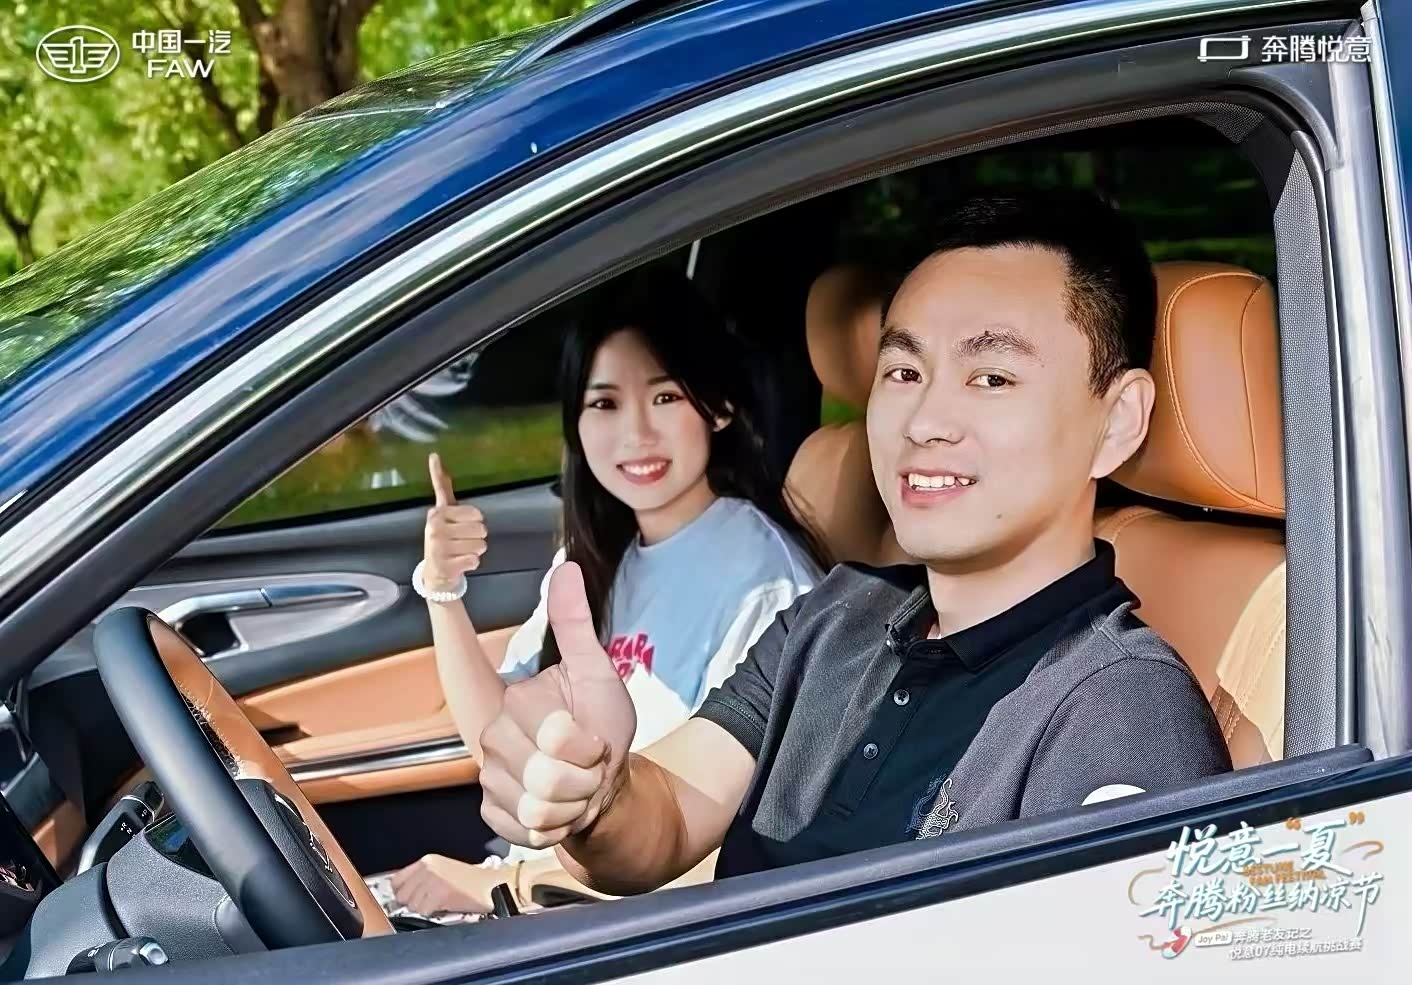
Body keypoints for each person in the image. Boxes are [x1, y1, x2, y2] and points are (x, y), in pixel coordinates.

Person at [470, 191, 1233, 892]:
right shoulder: (837, 613)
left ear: (1118, 422)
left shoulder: (1120, 711)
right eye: (903, 370)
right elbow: (665, 815)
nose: (924, 420)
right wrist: (597, 791)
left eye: (992, 378)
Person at [388, 265, 826, 914]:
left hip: (619, 916)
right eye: (604, 404)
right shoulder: (594, 555)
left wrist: (500, 887)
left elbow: (729, 847)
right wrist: (443, 590)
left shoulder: (766, 586)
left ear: (719, 406)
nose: (636, 434)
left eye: (666, 397)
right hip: (540, 888)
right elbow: (498, 742)